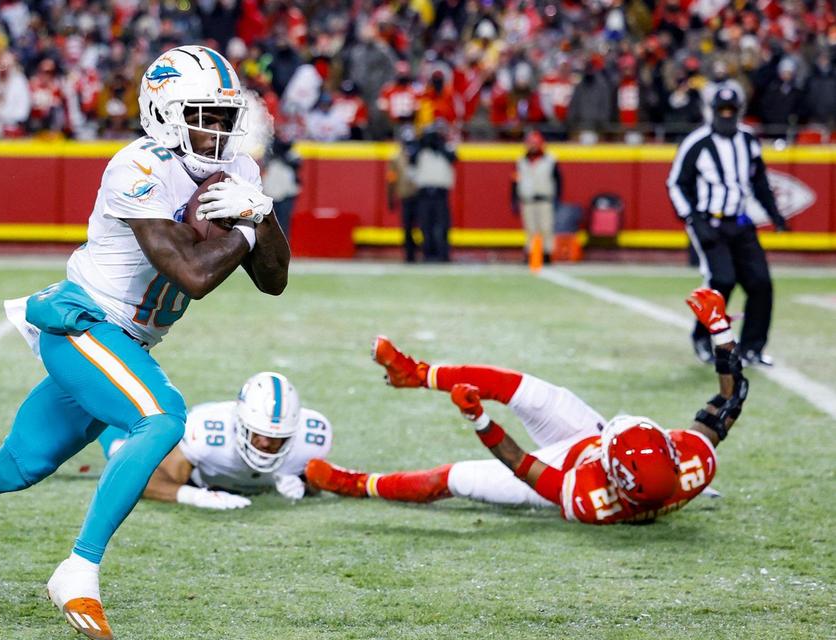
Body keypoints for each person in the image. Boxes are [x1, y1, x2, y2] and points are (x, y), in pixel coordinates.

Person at [0, 45, 290, 640]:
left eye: (222, 115)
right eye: (202, 114)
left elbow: (274, 281)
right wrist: (246, 227)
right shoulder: (137, 166)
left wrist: (264, 217)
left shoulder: (240, 171)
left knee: (19, 464)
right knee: (161, 420)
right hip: (81, 322)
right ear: (162, 110)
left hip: (128, 340)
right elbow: (193, 274)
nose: (215, 128)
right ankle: (78, 568)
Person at [309, 288, 745, 524]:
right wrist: (721, 332)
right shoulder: (694, 462)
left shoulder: (588, 500)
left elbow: (520, 464)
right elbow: (728, 401)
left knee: (455, 478)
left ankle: (352, 483)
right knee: (527, 389)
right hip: (586, 442)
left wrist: (479, 419)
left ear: (613, 477)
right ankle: (415, 373)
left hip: (558, 471)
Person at [667, 87, 788, 367]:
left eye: (730, 111)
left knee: (760, 283)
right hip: (709, 222)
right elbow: (675, 183)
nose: (726, 116)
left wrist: (774, 214)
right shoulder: (697, 142)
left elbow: (758, 180)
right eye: (721, 110)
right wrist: (694, 219)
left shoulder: (747, 140)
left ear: (738, 111)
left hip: (741, 221)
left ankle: (752, 348)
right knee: (721, 281)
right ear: (712, 111)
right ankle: (701, 336)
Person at [98, 372, 332, 508]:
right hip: (189, 435)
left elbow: (324, 480)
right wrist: (196, 496)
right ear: (240, 424)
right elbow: (145, 480)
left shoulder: (312, 438)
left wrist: (307, 485)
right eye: (258, 433)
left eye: (276, 437)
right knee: (121, 451)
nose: (265, 443)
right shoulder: (208, 436)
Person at [512, 131, 561, 263]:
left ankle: (547, 254)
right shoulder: (521, 161)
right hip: (528, 200)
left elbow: (558, 181)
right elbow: (515, 181)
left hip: (545, 199)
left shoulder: (550, 160)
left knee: (546, 227)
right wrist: (514, 200)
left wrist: (557, 199)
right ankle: (530, 254)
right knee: (530, 229)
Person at [410, 125, 455, 262]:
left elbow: (453, 157)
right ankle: (427, 254)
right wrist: (422, 143)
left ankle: (443, 254)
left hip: (440, 193)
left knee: (442, 226)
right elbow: (412, 159)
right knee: (425, 226)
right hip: (424, 193)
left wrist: (439, 145)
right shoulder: (420, 150)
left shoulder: (444, 148)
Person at [386, 126, 419, 262]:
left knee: (423, 227)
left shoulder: (420, 154)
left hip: (420, 196)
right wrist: (390, 197)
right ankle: (409, 255)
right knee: (407, 227)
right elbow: (391, 178)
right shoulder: (396, 157)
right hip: (405, 195)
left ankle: (426, 253)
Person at [261, 139, 301, 238]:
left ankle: (283, 249)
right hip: (270, 195)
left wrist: (283, 152)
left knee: (283, 223)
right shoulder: (269, 155)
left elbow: (297, 164)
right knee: (270, 224)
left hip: (286, 194)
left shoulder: (291, 154)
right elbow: (264, 163)